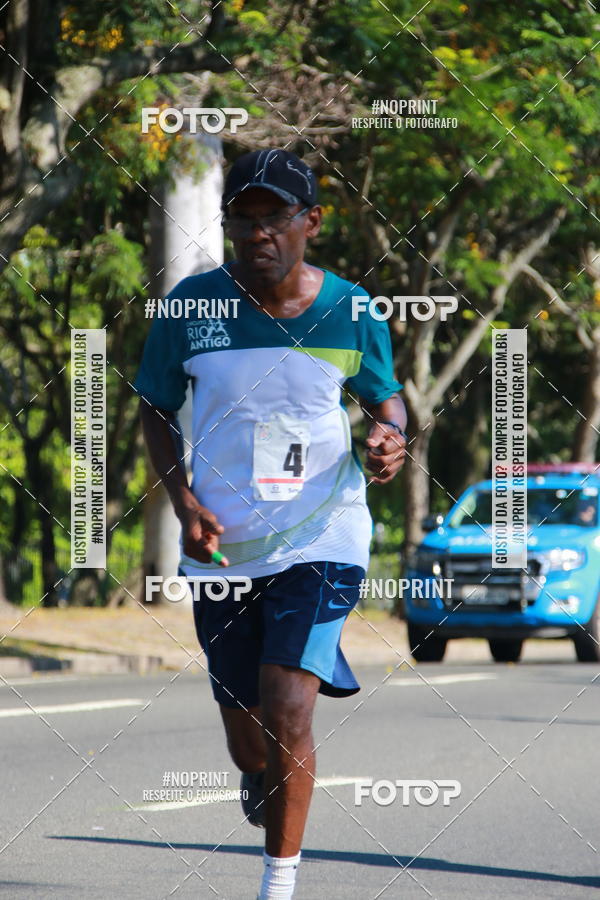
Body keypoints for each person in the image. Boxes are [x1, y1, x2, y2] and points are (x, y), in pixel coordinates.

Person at [135, 148, 406, 900]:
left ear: (311, 222)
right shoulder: (190, 308)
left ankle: (277, 885)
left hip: (324, 534)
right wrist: (184, 501)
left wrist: (392, 442)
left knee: (289, 704)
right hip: (224, 548)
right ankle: (259, 776)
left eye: (275, 217)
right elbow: (154, 404)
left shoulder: (352, 310)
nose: (258, 234)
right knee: (247, 731)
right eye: (242, 219)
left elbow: (387, 403)